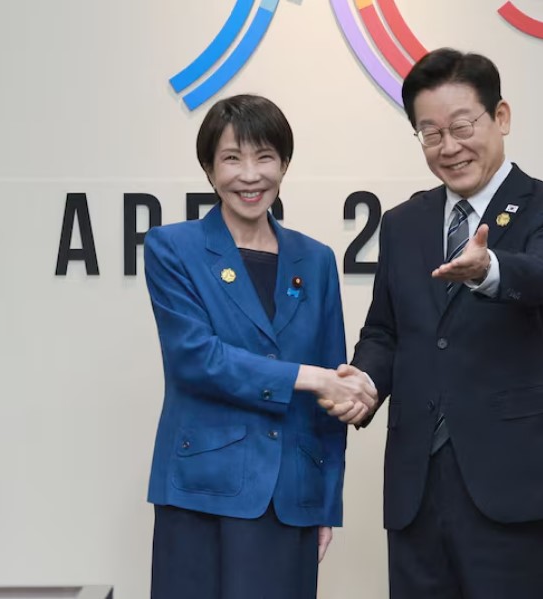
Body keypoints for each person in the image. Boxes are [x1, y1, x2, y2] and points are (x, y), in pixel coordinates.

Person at [349, 48, 543, 598]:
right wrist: (365, 381)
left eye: (462, 126)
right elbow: (386, 331)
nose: (449, 147)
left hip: (513, 480)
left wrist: (488, 268)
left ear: (501, 117)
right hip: (417, 481)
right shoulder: (403, 223)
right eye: (430, 133)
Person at [142, 93, 376, 599]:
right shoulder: (172, 247)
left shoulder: (316, 259)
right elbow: (195, 360)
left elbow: (332, 394)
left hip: (290, 496)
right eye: (232, 158)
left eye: (264, 157)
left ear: (284, 164)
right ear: (209, 169)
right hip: (202, 491)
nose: (250, 175)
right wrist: (309, 377)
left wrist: (325, 503)